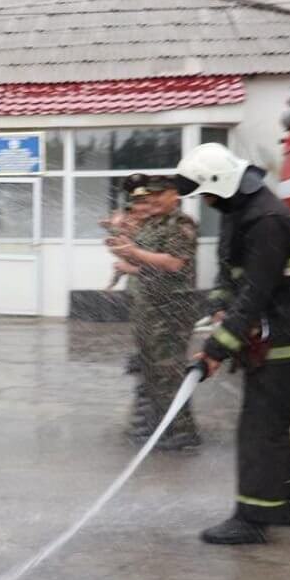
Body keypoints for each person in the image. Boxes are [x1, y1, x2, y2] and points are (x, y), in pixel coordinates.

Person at [174, 143, 290, 544]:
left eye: (205, 192)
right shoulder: (238, 211)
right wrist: (220, 308)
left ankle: (253, 520)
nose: (204, 201)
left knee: (260, 429)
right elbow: (230, 276)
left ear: (222, 184)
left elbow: (255, 294)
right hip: (267, 334)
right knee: (268, 426)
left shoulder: (268, 221)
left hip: (286, 337)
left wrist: (214, 352)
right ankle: (275, 504)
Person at [109, 176, 201, 450]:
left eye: (160, 195)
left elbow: (173, 263)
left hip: (171, 310)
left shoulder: (180, 225)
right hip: (149, 307)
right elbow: (138, 256)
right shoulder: (152, 225)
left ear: (175, 195)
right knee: (152, 371)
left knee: (169, 372)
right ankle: (161, 427)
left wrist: (133, 252)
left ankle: (182, 434)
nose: (153, 200)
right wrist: (121, 242)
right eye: (152, 195)